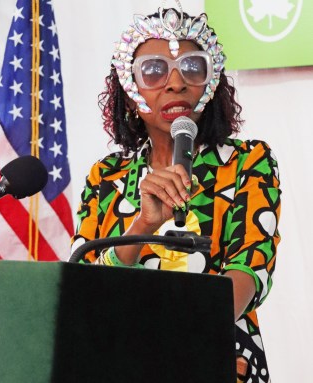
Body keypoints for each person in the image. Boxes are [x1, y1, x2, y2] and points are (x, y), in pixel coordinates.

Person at [71, 1, 281, 382]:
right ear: (130, 91)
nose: (175, 83)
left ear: (211, 82)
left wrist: (177, 343)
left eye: (192, 67)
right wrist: (143, 223)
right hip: (119, 364)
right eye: (153, 71)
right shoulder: (107, 176)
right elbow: (84, 287)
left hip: (217, 359)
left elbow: (250, 268)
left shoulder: (247, 161)